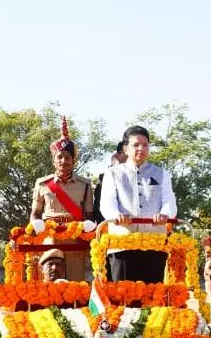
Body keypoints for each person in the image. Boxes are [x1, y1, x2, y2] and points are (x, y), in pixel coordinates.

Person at [99, 125, 177, 283]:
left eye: (145, 144)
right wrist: (116, 216)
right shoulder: (113, 173)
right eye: (136, 145)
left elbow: (170, 202)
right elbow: (107, 204)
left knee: (152, 300)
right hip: (122, 245)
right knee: (122, 299)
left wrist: (165, 214)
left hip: (153, 245)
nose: (141, 148)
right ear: (125, 149)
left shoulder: (162, 174)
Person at [30, 117, 95, 281]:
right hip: (49, 236)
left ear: (73, 160)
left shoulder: (85, 185)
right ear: (54, 160)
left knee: (74, 282)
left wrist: (88, 225)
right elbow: (35, 213)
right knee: (48, 281)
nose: (63, 161)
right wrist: (36, 223)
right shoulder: (43, 183)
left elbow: (88, 215)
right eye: (59, 157)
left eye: (67, 157)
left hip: (74, 238)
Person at [92, 142, 128, 224]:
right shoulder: (105, 178)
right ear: (118, 156)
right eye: (125, 152)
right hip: (112, 227)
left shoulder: (145, 177)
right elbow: (98, 208)